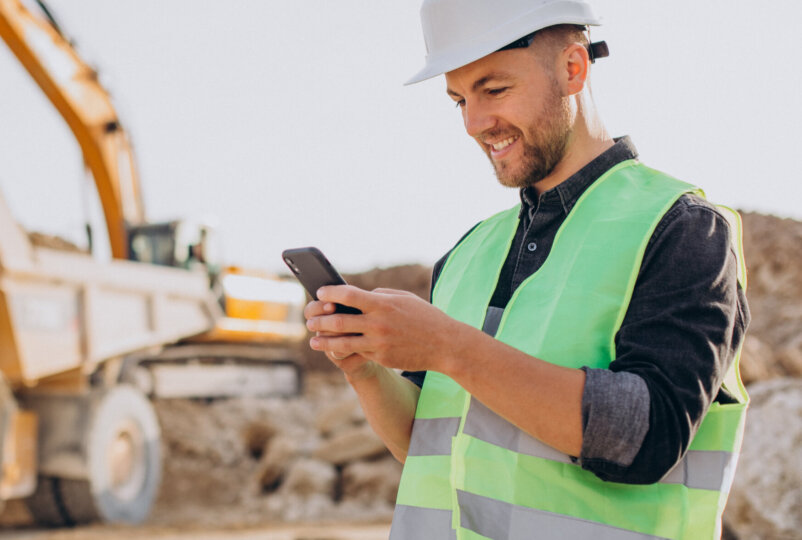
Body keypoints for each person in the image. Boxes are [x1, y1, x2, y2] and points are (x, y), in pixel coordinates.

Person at [302, 1, 749, 538]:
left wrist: (449, 345)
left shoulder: (679, 228)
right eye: (459, 100)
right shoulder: (471, 251)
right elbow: (429, 447)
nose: (473, 123)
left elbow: (646, 438)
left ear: (572, 69)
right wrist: (363, 367)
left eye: (494, 90)